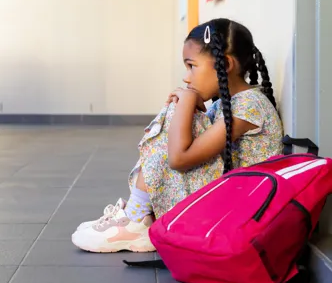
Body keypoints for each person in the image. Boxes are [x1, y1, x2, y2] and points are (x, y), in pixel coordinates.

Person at [71, 18, 284, 253]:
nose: (186, 77)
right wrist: (186, 105)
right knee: (180, 111)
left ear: (225, 64)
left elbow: (179, 158)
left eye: (192, 66)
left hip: (241, 207)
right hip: (229, 195)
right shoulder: (229, 104)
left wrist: (186, 103)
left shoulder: (250, 106)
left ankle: (136, 218)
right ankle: (139, 214)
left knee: (178, 109)